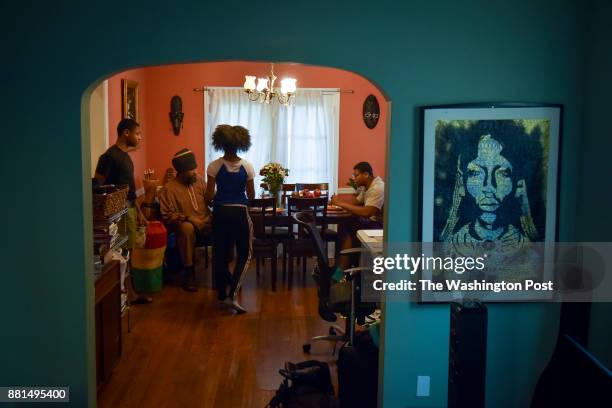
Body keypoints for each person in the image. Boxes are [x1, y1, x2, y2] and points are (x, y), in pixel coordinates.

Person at [94, 118, 151, 304]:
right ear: (126, 133)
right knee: (120, 253)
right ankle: (124, 295)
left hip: (129, 209)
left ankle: (130, 292)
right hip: (115, 213)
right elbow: (97, 185)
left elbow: (131, 190)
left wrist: (140, 213)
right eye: (138, 133)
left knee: (129, 251)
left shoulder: (126, 156)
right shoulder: (109, 156)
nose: (140, 137)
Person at [206, 124, 256, 314]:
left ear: (220, 144)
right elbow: (251, 195)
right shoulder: (247, 166)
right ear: (241, 144)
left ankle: (221, 295)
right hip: (239, 212)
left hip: (219, 212)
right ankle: (232, 295)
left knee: (220, 254)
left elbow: (209, 196)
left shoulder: (214, 166)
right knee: (245, 254)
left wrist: (220, 195)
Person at [159, 148, 212, 292]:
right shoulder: (168, 189)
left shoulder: (199, 180)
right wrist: (190, 218)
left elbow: (210, 200)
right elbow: (167, 216)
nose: (195, 172)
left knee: (226, 221)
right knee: (186, 228)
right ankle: (189, 273)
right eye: (191, 170)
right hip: (188, 226)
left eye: (195, 168)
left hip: (206, 222)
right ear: (181, 172)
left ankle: (223, 271)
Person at [330, 162, 385, 269]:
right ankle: (343, 267)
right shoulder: (367, 186)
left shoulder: (378, 188)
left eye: (356, 175)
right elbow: (356, 202)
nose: (354, 178)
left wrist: (340, 203)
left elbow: (367, 212)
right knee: (346, 222)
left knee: (348, 223)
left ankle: (342, 268)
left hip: (379, 226)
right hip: (371, 222)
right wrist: (337, 201)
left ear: (366, 174)